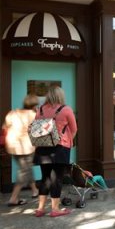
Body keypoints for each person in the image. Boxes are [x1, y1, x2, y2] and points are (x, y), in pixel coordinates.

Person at [33, 86, 78, 217]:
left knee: (45, 178)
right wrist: (67, 140)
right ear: (60, 95)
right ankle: (55, 209)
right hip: (60, 148)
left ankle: (40, 209)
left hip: (42, 147)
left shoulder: (40, 110)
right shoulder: (66, 109)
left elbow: (36, 128)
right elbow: (74, 129)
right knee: (56, 179)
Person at [4, 94, 40, 206]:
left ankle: (34, 190)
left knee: (26, 168)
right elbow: (37, 133)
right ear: (34, 105)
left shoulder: (13, 112)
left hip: (11, 146)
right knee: (23, 172)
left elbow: (5, 127)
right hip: (26, 147)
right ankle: (13, 198)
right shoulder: (33, 115)